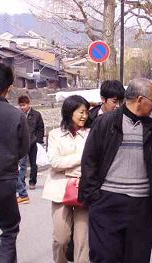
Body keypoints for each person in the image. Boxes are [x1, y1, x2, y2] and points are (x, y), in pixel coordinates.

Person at [78, 78, 152, 263]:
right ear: (140, 99)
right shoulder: (106, 122)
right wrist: (94, 198)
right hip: (107, 203)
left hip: (142, 206)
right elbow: (89, 161)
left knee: (137, 257)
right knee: (105, 257)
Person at [42, 95, 91, 263]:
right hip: (59, 191)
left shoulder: (90, 134)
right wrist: (81, 158)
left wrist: (71, 165)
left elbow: (93, 162)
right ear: (70, 112)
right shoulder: (55, 134)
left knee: (82, 241)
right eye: (81, 112)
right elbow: (55, 163)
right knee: (61, 239)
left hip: (84, 189)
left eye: (87, 112)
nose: (85, 116)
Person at [0, 63, 29, 262]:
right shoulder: (16, 114)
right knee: (9, 229)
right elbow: (24, 148)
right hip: (5, 180)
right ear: (9, 87)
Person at [18, 95, 45, 190]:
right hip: (22, 144)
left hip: (33, 143)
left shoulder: (37, 114)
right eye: (20, 105)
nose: (22, 107)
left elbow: (41, 128)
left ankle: (32, 182)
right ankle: (21, 183)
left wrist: (38, 140)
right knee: (22, 164)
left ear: (29, 104)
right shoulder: (18, 115)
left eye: (23, 105)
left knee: (34, 164)